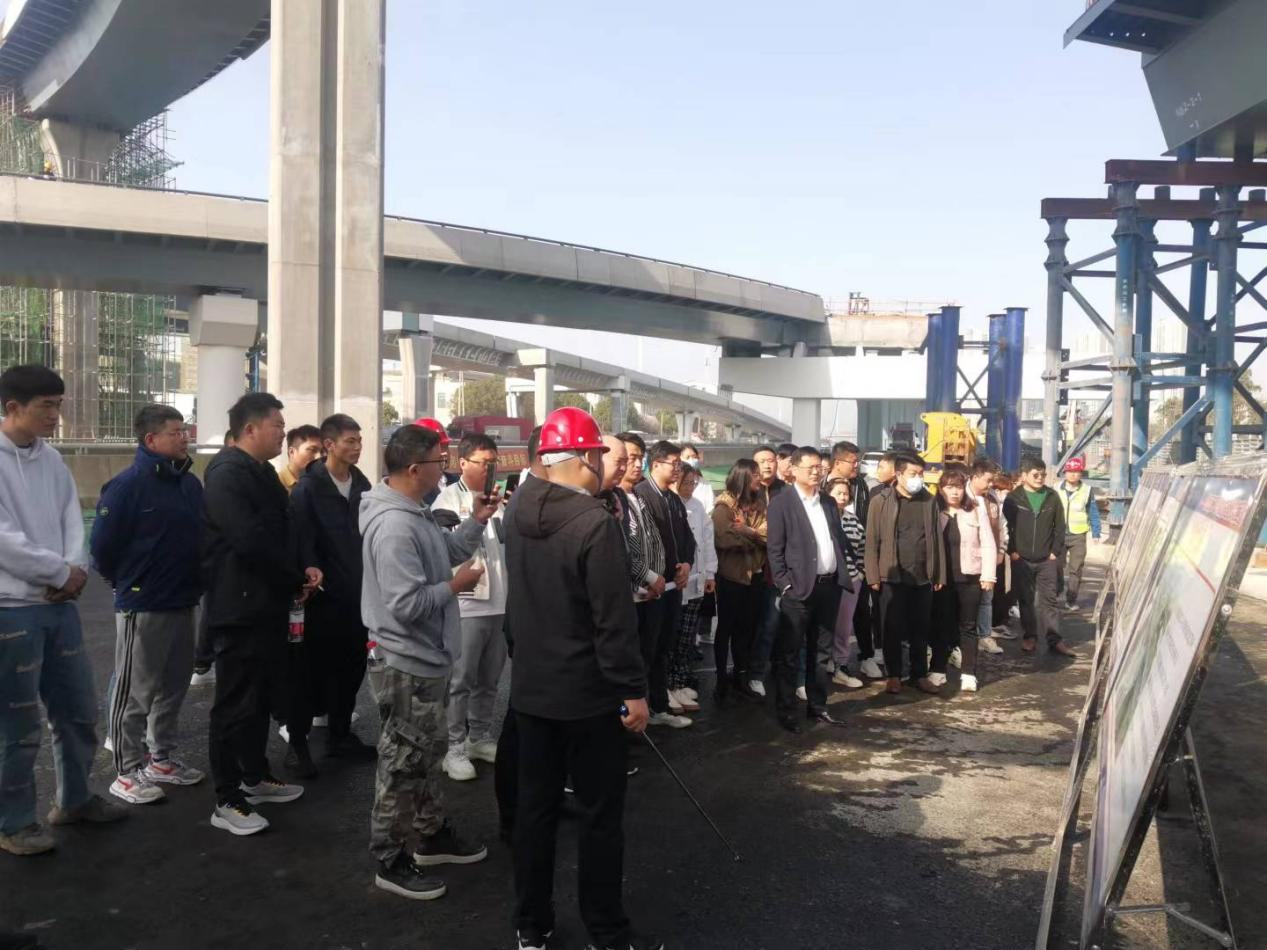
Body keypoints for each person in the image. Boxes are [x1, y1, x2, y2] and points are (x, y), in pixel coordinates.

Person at [504, 407, 659, 950]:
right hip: (588, 696)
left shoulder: (518, 507)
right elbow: (612, 620)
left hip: (532, 690)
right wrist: (632, 691)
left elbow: (518, 606)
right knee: (599, 818)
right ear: (588, 457)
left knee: (535, 813)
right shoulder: (594, 522)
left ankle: (532, 924)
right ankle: (606, 930)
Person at [360, 423, 495, 900]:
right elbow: (405, 604)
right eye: (441, 461)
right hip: (406, 662)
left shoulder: (415, 511)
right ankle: (390, 857)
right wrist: (454, 587)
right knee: (402, 763)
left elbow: (447, 551)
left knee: (425, 755)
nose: (447, 469)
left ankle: (430, 834)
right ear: (416, 468)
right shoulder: (395, 525)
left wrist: (476, 521)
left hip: (424, 659)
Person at [0, 365, 126, 856]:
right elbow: (4, 540)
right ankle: (14, 823)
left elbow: (73, 520)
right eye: (46, 406)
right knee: (17, 726)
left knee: (77, 712)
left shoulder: (51, 460)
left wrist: (75, 569)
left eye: (58, 404)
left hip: (58, 606)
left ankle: (73, 800)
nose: (55, 415)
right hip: (11, 609)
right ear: (12, 407)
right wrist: (58, 573)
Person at [202, 392, 321, 836]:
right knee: (233, 705)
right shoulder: (226, 474)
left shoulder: (261, 471)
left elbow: (284, 530)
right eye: (277, 425)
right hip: (240, 608)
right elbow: (249, 539)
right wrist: (292, 577)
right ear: (250, 429)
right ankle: (226, 798)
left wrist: (302, 569)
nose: (282, 433)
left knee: (259, 699)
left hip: (267, 603)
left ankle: (254, 776)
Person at [91, 404, 205, 805]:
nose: (184, 437)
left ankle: (161, 759)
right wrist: (128, 584)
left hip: (183, 599)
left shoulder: (189, 484)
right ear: (151, 439)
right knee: (135, 690)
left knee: (174, 685)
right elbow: (102, 548)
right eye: (176, 432)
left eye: (184, 431)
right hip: (144, 603)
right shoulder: (128, 486)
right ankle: (126, 771)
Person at [285, 412, 374, 777]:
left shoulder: (362, 484)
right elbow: (301, 541)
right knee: (310, 674)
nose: (357, 447)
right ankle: (297, 746)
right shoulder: (308, 489)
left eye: (359, 440)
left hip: (357, 597)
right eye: (350, 441)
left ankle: (340, 736)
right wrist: (309, 575)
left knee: (351, 669)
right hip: (321, 600)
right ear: (329, 445)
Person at [433, 433, 509, 783]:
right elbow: (444, 552)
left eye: (494, 463)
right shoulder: (447, 500)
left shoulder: (500, 501)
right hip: (467, 605)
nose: (490, 469)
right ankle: (454, 747)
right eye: (483, 462)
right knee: (460, 680)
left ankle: (479, 736)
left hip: (499, 603)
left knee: (489, 678)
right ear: (462, 463)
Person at [766, 446, 855, 733]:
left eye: (819, 467)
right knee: (790, 653)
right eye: (810, 467)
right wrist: (785, 584)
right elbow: (774, 550)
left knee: (821, 652)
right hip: (798, 590)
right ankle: (787, 710)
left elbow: (836, 539)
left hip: (829, 587)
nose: (817, 472)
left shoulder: (827, 502)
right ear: (794, 470)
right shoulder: (781, 503)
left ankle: (818, 706)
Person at [864, 453, 946, 696]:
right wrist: (872, 575)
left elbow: (936, 539)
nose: (918, 478)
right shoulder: (880, 501)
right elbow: (872, 540)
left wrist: (939, 574)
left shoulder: (929, 501)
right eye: (913, 474)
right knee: (892, 627)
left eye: (921, 474)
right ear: (899, 474)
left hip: (922, 576)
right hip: (892, 576)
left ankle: (919, 674)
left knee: (921, 628)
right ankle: (894, 675)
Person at [634, 441, 697, 726]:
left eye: (679, 464)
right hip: (651, 588)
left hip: (673, 586)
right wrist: (649, 576)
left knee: (663, 648)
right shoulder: (642, 495)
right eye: (674, 463)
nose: (678, 469)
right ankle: (641, 710)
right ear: (656, 463)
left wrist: (687, 564)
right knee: (646, 650)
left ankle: (659, 708)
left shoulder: (673, 499)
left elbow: (687, 539)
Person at [930, 469, 996, 694]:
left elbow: (988, 542)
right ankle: (937, 669)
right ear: (941, 489)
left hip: (970, 577)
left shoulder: (976, 509)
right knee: (941, 624)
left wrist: (988, 575)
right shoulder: (934, 510)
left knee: (968, 626)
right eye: (949, 487)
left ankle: (969, 673)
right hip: (942, 579)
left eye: (958, 487)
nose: (954, 492)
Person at [1003, 456, 1076, 658]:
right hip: (1021, 559)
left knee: (1049, 600)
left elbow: (1060, 526)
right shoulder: (1013, 498)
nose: (1040, 478)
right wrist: (1012, 551)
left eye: (1043, 475)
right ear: (1024, 475)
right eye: (1036, 475)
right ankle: (1030, 636)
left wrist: (1054, 552)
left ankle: (1055, 640)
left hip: (1046, 560)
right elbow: (1006, 527)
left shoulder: (1052, 496)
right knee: (1025, 600)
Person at [710, 459, 768, 702]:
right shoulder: (724, 506)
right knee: (726, 629)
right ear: (744, 477)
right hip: (731, 577)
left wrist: (746, 531)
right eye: (755, 474)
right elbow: (724, 540)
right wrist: (754, 537)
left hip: (755, 576)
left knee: (747, 630)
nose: (759, 478)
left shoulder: (759, 504)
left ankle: (740, 676)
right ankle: (721, 679)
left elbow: (769, 535)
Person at [826, 441, 883, 680]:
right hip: (826, 571)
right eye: (853, 461)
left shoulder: (860, 485)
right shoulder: (819, 484)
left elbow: (865, 527)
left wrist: (861, 570)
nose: (857, 465)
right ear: (838, 462)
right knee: (827, 620)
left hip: (853, 569)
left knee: (858, 613)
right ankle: (827, 661)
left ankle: (863, 657)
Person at [191, 430, 238, 689]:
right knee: (212, 611)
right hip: (221, 562)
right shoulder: (224, 472)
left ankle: (204, 661)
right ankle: (203, 662)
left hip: (225, 564)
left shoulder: (258, 472)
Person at [666, 464, 715, 712]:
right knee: (671, 638)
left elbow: (707, 540)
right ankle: (667, 686)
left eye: (694, 483)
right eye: (686, 482)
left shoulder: (697, 506)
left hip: (697, 579)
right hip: (676, 582)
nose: (690, 487)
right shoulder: (670, 504)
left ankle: (679, 682)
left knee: (686, 637)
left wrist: (710, 572)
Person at [747, 445, 784, 696]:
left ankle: (765, 670)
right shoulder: (749, 492)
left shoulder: (787, 491)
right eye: (762, 461)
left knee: (773, 622)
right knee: (752, 624)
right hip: (750, 568)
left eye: (771, 460)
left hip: (777, 569)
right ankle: (748, 671)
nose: (767, 465)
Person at [824, 478, 866, 689]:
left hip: (850, 580)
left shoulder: (853, 519)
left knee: (844, 626)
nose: (842, 497)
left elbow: (862, 547)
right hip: (827, 580)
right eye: (838, 493)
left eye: (845, 493)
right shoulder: (821, 518)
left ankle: (840, 665)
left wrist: (860, 573)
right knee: (824, 626)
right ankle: (823, 663)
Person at [968, 459, 1010, 653]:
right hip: (967, 558)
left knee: (986, 599)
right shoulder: (963, 495)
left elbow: (1001, 525)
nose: (991, 484)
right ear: (975, 476)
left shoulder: (992, 497)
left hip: (989, 556)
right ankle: (964, 640)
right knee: (966, 602)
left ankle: (984, 636)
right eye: (988, 480)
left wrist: (1001, 550)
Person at [1057, 456, 1101, 610]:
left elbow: (1093, 511)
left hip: (1078, 535)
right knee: (1056, 566)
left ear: (1081, 473)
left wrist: (1096, 532)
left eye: (1076, 472)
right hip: (1058, 534)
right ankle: (1056, 593)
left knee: (1076, 569)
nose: (1073, 474)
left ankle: (1071, 600)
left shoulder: (1087, 490)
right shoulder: (1056, 489)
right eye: (1070, 471)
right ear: (1065, 473)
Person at [412, 417, 454, 506]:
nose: (446, 453)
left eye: (446, 446)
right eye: (440, 448)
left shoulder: (456, 481)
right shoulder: (414, 490)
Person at [277, 424, 322, 494]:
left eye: (322, 451)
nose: (319, 456)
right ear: (292, 452)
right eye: (312, 450)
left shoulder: (323, 484)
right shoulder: (275, 484)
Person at [678, 443, 715, 511]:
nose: (691, 460)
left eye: (694, 457)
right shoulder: (675, 483)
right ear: (680, 459)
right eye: (687, 457)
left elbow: (710, 508)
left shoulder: (705, 484)